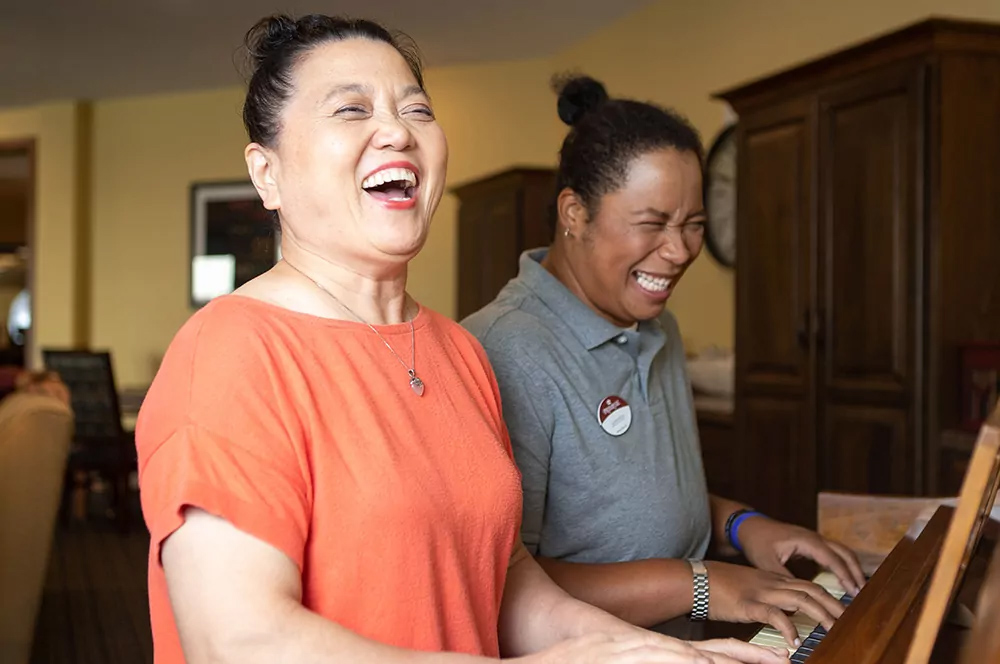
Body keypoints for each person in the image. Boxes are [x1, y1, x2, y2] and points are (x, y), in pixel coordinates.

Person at [135, 15, 787, 664]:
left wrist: (641, 650)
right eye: (351, 109)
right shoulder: (230, 354)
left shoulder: (459, 353)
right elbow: (240, 642)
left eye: (416, 110)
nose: (396, 130)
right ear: (266, 172)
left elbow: (504, 584)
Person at [462, 76, 868, 649]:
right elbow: (500, 582)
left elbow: (639, 499)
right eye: (652, 223)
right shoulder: (503, 350)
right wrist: (700, 583)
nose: (679, 252)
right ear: (574, 213)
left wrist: (741, 525)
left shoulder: (658, 327)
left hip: (686, 636)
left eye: (694, 224)